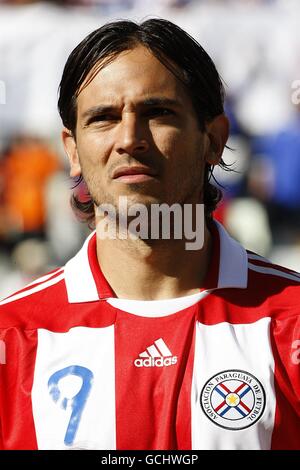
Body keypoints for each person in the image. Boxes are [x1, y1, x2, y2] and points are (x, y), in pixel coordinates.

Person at [0, 19, 299, 451]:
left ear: (214, 138)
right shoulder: (12, 335)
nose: (129, 139)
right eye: (103, 118)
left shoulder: (291, 324)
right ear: (72, 151)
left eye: (158, 112)